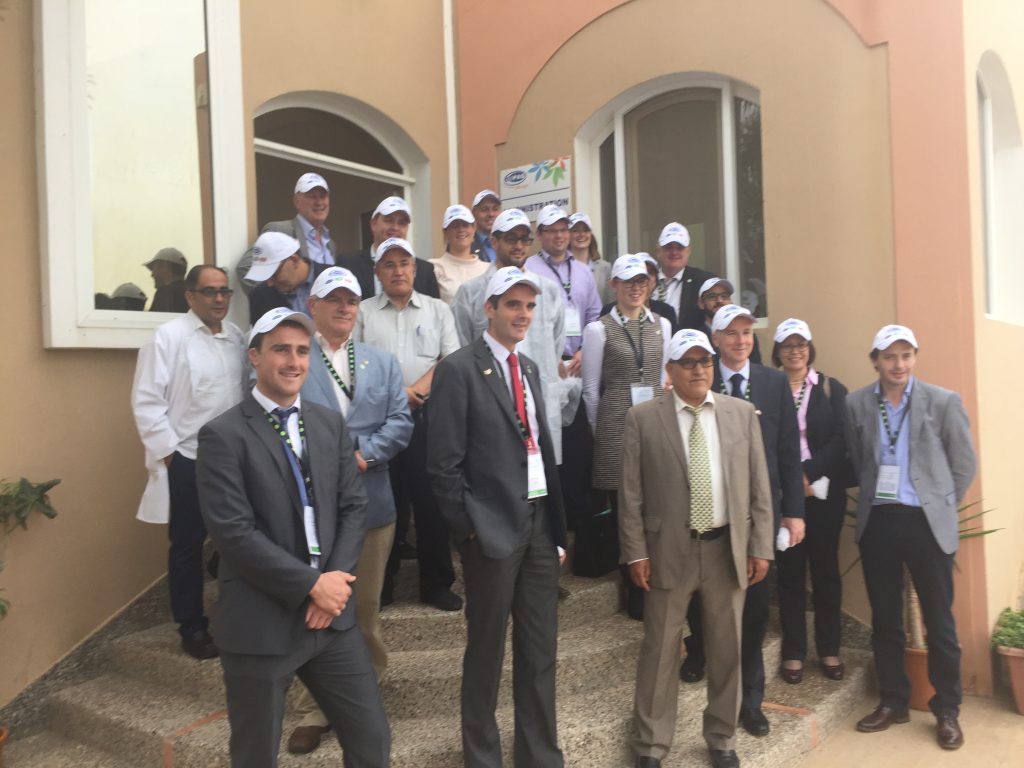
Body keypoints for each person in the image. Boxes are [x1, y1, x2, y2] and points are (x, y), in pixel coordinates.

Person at [196, 307, 389, 768]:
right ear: (255, 357)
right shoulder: (222, 435)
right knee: (255, 755)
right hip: (262, 622)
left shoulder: (328, 423)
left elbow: (353, 506)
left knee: (372, 740)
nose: (293, 361)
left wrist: (333, 581)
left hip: (330, 622)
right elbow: (234, 533)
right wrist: (310, 585)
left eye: (302, 351)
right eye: (281, 349)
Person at [428, 266, 567, 768]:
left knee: (540, 651)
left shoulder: (527, 367)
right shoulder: (459, 369)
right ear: (489, 309)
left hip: (538, 525)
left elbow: (540, 449)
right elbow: (442, 465)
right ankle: (482, 758)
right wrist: (469, 529)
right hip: (490, 532)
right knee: (486, 653)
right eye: (512, 305)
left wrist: (554, 527)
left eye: (529, 306)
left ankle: (539, 757)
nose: (522, 314)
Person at [621, 329, 774, 768]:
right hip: (668, 551)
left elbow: (759, 485)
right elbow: (630, 494)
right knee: (660, 650)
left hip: (727, 549)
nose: (698, 370)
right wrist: (636, 552)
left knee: (727, 649)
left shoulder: (740, 413)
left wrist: (760, 545)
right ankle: (651, 745)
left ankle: (722, 738)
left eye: (704, 361)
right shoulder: (643, 418)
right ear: (669, 370)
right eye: (687, 362)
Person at [286, 268, 414, 755]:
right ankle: (311, 708)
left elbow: (400, 421)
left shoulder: (381, 362)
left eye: (352, 300)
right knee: (315, 608)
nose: (344, 308)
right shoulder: (296, 359)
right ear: (313, 306)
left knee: (364, 608)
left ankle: (365, 690)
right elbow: (282, 421)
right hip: (311, 507)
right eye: (334, 299)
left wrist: (364, 454)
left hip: (372, 502)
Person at [845, 324, 976, 751]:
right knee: (886, 620)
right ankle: (893, 702)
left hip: (926, 524)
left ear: (914, 357)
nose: (898, 364)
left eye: (905, 355)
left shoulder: (943, 401)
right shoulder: (856, 403)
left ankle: (947, 710)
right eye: (889, 356)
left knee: (939, 622)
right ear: (875, 361)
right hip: (879, 522)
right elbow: (859, 459)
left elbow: (964, 463)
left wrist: (939, 503)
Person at [682, 304, 804, 739]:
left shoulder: (772, 383)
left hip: (758, 516)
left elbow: (788, 451)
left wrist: (793, 512)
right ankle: (700, 654)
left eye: (747, 332)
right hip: (709, 515)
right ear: (715, 340)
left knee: (753, 611)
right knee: (703, 600)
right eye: (731, 333)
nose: (740, 340)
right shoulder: (700, 380)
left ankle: (750, 700)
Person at [131, 265, 244, 659]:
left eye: (224, 291)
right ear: (190, 296)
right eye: (210, 291)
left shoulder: (237, 338)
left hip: (233, 461)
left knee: (239, 537)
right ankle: (192, 627)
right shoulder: (168, 338)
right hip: (189, 459)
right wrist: (170, 455)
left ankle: (238, 615)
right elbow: (147, 401)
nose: (219, 299)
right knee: (187, 545)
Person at [355, 237, 461, 610]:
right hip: (378, 422)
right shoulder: (362, 312)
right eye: (389, 264)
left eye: (404, 263)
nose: (398, 271)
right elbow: (353, 362)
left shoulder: (438, 310)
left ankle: (436, 583)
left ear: (415, 269)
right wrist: (398, 394)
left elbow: (450, 360)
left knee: (431, 503)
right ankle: (381, 585)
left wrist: (413, 392)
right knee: (387, 503)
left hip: (427, 419)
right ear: (377, 272)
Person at [581, 254, 671, 615]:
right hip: (615, 425)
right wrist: (600, 430)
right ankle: (635, 592)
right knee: (625, 507)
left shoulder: (662, 324)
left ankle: (657, 582)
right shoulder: (598, 329)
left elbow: (662, 377)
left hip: (654, 422)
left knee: (655, 501)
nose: (636, 288)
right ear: (613, 285)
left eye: (641, 281)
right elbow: (591, 389)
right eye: (628, 282)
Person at [451, 207, 575, 466]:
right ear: (494, 241)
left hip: (538, 404)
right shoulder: (471, 292)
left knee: (540, 480)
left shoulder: (548, 291)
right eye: (511, 239)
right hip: (490, 407)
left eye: (524, 239)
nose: (519, 246)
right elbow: (462, 347)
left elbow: (555, 347)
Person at [770, 318, 849, 684]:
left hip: (823, 494)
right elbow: (764, 438)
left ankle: (829, 648)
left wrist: (807, 473)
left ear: (810, 348)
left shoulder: (831, 389)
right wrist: (789, 480)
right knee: (789, 573)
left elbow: (841, 438)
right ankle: (793, 651)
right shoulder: (768, 388)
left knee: (826, 571)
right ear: (778, 351)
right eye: (787, 345)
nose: (795, 351)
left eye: (800, 344)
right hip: (785, 496)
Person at [525, 205, 603, 534]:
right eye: (551, 230)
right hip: (548, 366)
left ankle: (576, 521)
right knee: (549, 441)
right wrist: (552, 356)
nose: (559, 236)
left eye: (563, 229)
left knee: (577, 445)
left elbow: (595, 314)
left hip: (581, 362)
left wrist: (585, 350)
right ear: (540, 235)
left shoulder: (583, 271)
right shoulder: (529, 269)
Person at [236, 172, 337, 292]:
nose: (319, 202)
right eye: (312, 196)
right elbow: (245, 267)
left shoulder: (330, 243)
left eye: (323, 196)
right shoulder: (279, 230)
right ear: (297, 202)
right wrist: (274, 299)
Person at [335, 195, 440, 299]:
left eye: (402, 223)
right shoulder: (348, 263)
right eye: (389, 220)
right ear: (373, 224)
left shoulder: (425, 270)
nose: (395, 228)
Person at [245, 231, 326, 324]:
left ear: (294, 260)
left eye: (274, 274)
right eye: (264, 276)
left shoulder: (333, 277)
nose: (269, 283)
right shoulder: (260, 297)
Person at [652, 223, 714, 332]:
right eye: (669, 247)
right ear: (658, 251)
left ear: (688, 251)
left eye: (680, 248)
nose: (674, 252)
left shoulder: (703, 282)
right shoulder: (645, 281)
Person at [600, 253, 678, 332]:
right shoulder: (608, 311)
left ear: (656, 279)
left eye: (650, 273)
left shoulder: (666, 313)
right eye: (630, 279)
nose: (636, 286)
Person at [692, 277, 762, 364]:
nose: (719, 300)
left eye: (724, 296)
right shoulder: (695, 338)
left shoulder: (747, 336)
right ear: (701, 303)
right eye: (712, 297)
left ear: (730, 301)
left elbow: (756, 368)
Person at [431, 204, 491, 303]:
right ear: (445, 233)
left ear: (473, 229)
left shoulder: (488, 269)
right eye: (455, 226)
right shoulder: (434, 267)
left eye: (465, 225)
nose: (461, 230)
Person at [568, 212, 611, 305]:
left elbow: (610, 304)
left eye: (586, 230)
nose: (581, 234)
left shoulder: (605, 268)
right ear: (568, 235)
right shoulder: (560, 267)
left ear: (591, 234)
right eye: (575, 230)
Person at [145, 247, 189, 313]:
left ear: (165, 266)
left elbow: (157, 319)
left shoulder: (165, 292)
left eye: (153, 269)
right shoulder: (193, 294)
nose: (152, 275)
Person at [469, 189, 501, 262]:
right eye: (484, 209)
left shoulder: (508, 241)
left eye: (495, 209)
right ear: (474, 213)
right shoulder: (466, 245)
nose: (491, 214)